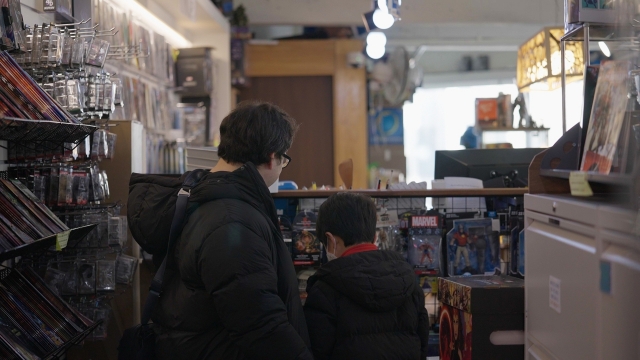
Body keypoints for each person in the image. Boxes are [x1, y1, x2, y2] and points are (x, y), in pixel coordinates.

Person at [128, 101, 313, 359]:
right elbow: (260, 325)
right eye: (285, 159)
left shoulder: (203, 197)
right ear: (273, 157)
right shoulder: (231, 220)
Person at [303, 193, 429, 360]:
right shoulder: (410, 283)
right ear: (375, 237)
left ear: (330, 240)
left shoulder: (324, 291)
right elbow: (422, 346)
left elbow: (318, 351)